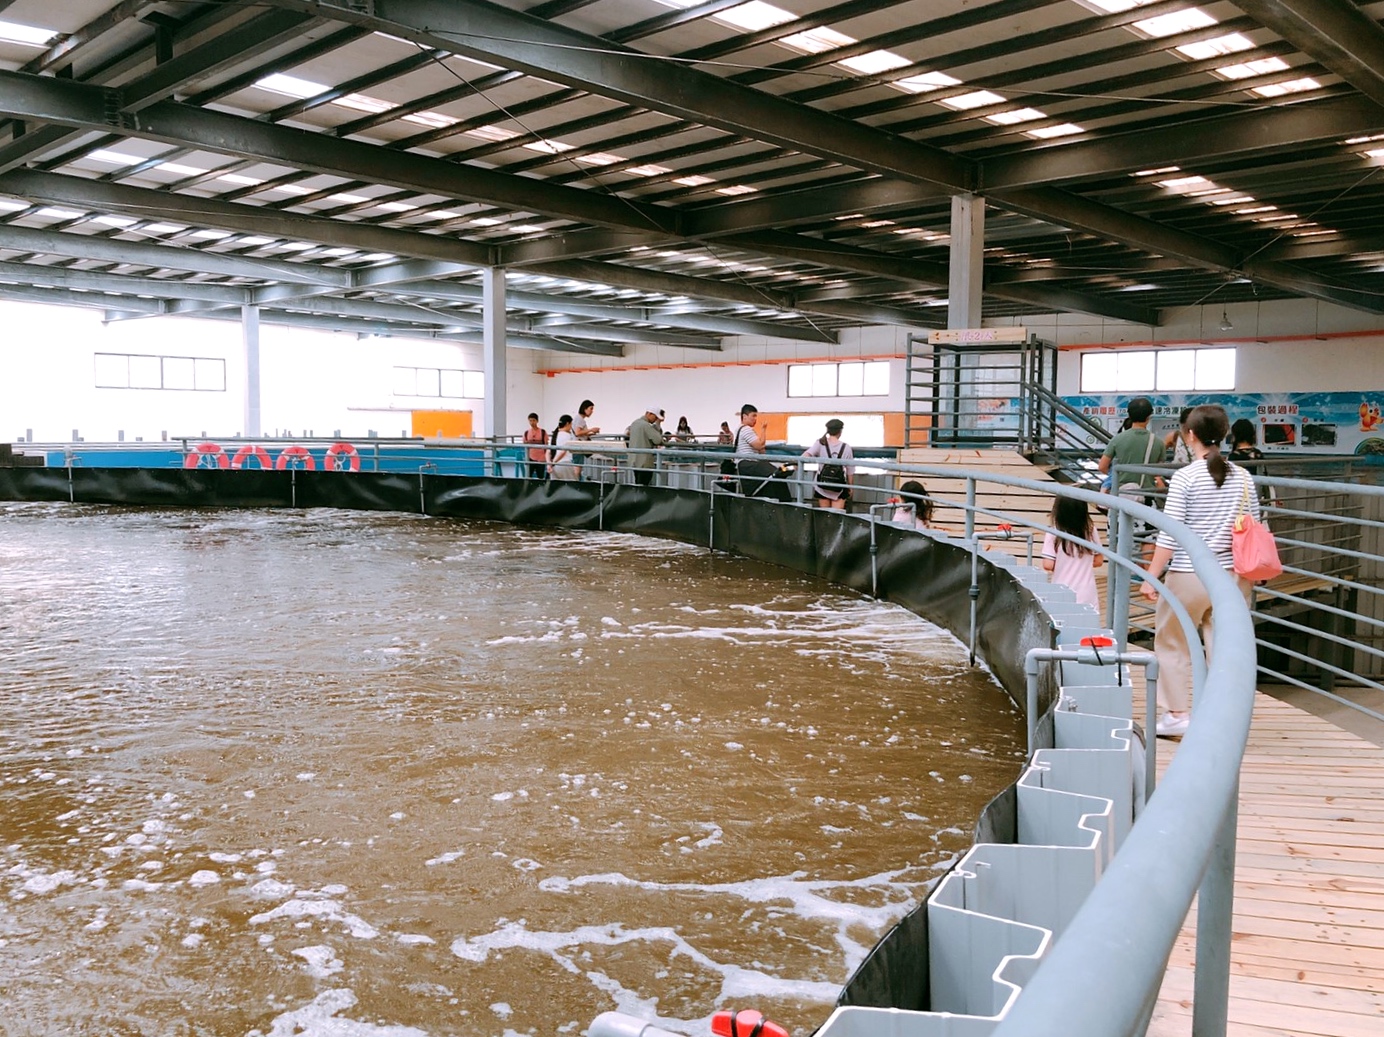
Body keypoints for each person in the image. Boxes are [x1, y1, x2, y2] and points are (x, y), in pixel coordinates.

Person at [1139, 404, 1258, 739]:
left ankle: (1177, 714)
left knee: (1172, 642)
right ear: (1224, 435)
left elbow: (1170, 532)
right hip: (1233, 577)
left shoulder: (1186, 477)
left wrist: (1152, 575)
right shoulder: (1243, 477)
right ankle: (1223, 715)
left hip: (1189, 575)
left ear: (1190, 435)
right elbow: (1254, 524)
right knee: (1223, 647)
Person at [1042, 497, 1103, 611]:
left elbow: (1048, 565)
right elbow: (1099, 561)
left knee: (1061, 624)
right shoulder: (1090, 530)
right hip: (1086, 592)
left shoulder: (1053, 532)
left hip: (1061, 591)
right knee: (1088, 624)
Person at [1098, 397, 1164, 502]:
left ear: (1129, 415)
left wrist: (1118, 476)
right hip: (1146, 494)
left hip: (1121, 493)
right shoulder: (1158, 442)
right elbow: (1158, 472)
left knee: (1118, 518)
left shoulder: (1117, 439)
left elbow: (1102, 466)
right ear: (1149, 416)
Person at [802, 418, 853, 509]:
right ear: (840, 431)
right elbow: (850, 470)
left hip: (822, 486)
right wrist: (850, 487)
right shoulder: (846, 447)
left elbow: (807, 454)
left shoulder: (820, 443)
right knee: (836, 517)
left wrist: (796, 464)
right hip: (839, 486)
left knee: (825, 517)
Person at [627, 405, 663, 487]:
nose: (655, 419)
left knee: (638, 483)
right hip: (644, 462)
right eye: (655, 417)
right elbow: (658, 440)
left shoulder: (635, 423)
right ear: (650, 414)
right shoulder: (646, 425)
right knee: (644, 485)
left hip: (634, 460)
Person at [572, 400, 599, 479]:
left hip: (577, 446)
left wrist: (590, 433)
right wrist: (591, 430)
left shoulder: (578, 418)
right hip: (578, 446)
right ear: (585, 409)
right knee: (578, 468)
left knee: (578, 467)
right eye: (591, 409)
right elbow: (577, 432)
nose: (592, 411)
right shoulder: (580, 419)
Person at [548, 415, 579, 481]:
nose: (571, 427)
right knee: (572, 486)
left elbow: (548, 452)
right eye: (571, 424)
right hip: (565, 464)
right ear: (567, 423)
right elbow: (563, 452)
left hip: (554, 467)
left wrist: (549, 464)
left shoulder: (554, 436)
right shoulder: (567, 436)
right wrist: (553, 462)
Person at [522, 412, 547, 479]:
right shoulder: (526, 433)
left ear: (537, 421)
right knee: (528, 476)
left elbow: (546, 444)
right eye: (530, 420)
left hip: (541, 458)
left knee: (540, 477)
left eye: (533, 420)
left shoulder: (542, 432)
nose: (532, 422)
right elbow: (524, 443)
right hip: (530, 457)